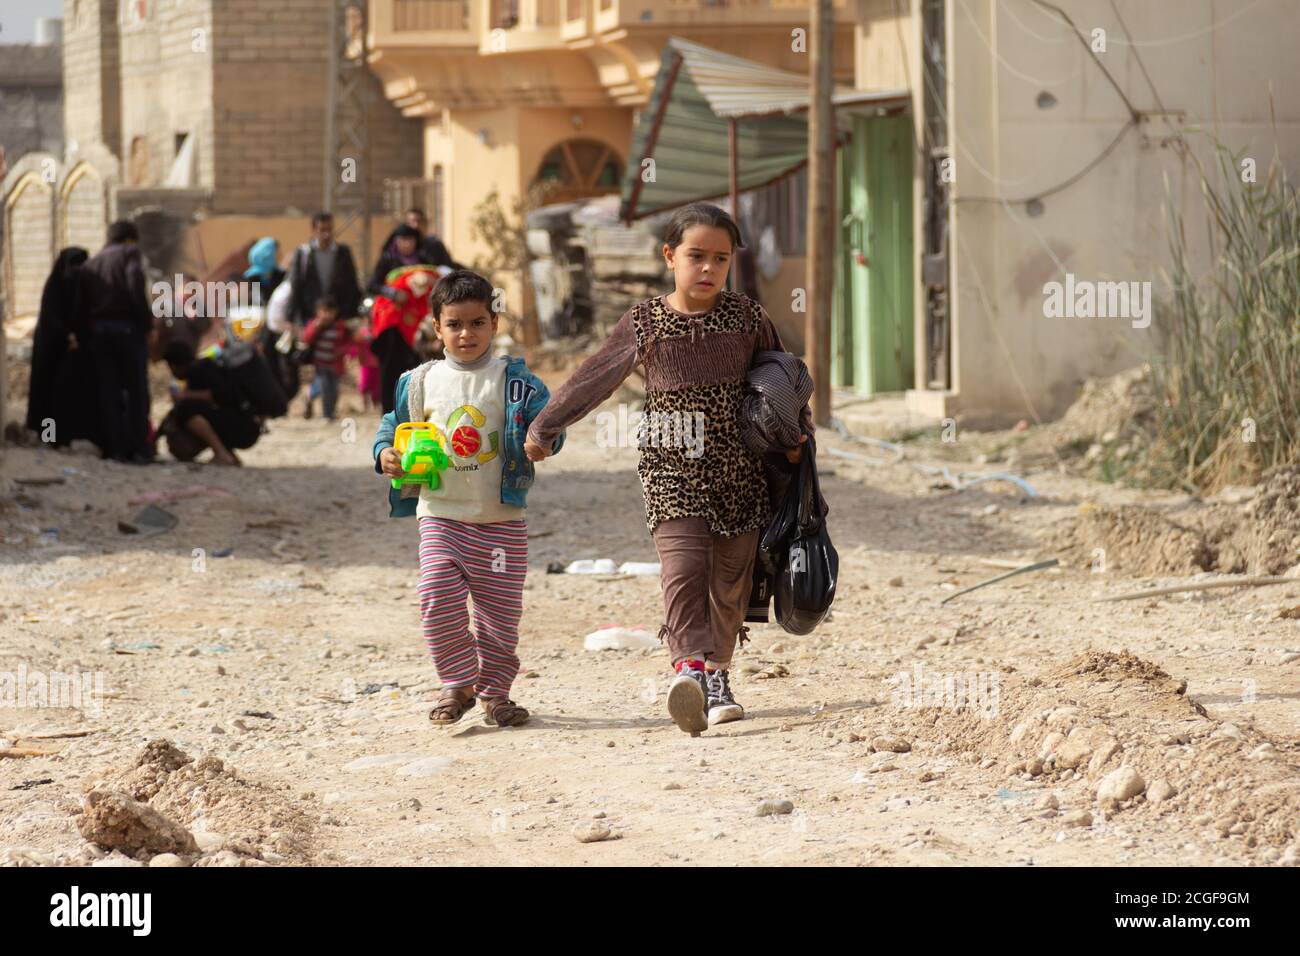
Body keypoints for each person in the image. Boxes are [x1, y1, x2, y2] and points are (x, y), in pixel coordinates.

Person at [525, 202, 810, 735]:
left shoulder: (748, 318)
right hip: (669, 468)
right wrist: (547, 425)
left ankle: (719, 677)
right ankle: (689, 670)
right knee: (683, 574)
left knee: (730, 580)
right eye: (695, 256)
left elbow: (783, 379)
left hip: (740, 469)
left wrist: (798, 438)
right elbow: (596, 376)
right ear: (669, 256)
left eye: (720, 259)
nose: (707, 269)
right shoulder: (644, 321)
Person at [372, 270, 565, 728]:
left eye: (477, 322)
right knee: (436, 595)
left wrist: (544, 442)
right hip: (442, 514)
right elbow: (390, 425)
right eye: (454, 324)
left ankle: (496, 695)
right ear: (436, 327)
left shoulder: (516, 382)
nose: (466, 333)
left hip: (501, 520)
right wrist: (386, 453)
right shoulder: (418, 382)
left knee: (500, 618)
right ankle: (457, 683)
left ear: (494, 323)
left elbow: (549, 423)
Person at [79, 220, 155, 464]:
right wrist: (147, 325)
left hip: (100, 333)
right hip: (127, 331)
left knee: (109, 391)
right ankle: (140, 449)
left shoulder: (92, 263)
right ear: (130, 239)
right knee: (136, 391)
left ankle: (116, 449)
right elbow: (135, 287)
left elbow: (83, 304)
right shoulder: (128, 254)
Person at [25, 247, 93, 446]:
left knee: (69, 396)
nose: (78, 269)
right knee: (46, 395)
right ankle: (48, 436)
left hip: (72, 352)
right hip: (51, 349)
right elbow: (50, 318)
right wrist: (66, 335)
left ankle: (67, 436)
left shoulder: (82, 286)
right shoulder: (55, 287)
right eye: (74, 264)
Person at [159, 340, 261, 465]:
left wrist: (185, 396)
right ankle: (228, 454)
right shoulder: (202, 370)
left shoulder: (200, 370)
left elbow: (222, 395)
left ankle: (221, 454)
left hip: (244, 427)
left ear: (174, 365)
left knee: (186, 411)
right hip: (246, 426)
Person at [287, 212, 361, 325]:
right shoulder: (304, 254)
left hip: (338, 318)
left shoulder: (343, 253)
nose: (326, 234)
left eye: (329, 229)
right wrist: (290, 318)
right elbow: (296, 286)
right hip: (311, 318)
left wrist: (351, 314)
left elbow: (352, 284)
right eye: (322, 230)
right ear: (314, 230)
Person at [301, 296, 352, 421]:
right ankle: (326, 414)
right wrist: (316, 327)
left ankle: (328, 409)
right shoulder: (314, 324)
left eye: (330, 311)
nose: (327, 315)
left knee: (333, 389)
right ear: (318, 312)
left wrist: (344, 351)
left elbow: (347, 341)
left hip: (335, 363)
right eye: (324, 311)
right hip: (320, 363)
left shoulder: (340, 326)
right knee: (324, 387)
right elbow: (307, 339)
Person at [377, 207, 462, 271]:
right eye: (412, 221)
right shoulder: (393, 250)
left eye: (419, 221)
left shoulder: (435, 245)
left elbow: (447, 268)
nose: (415, 226)